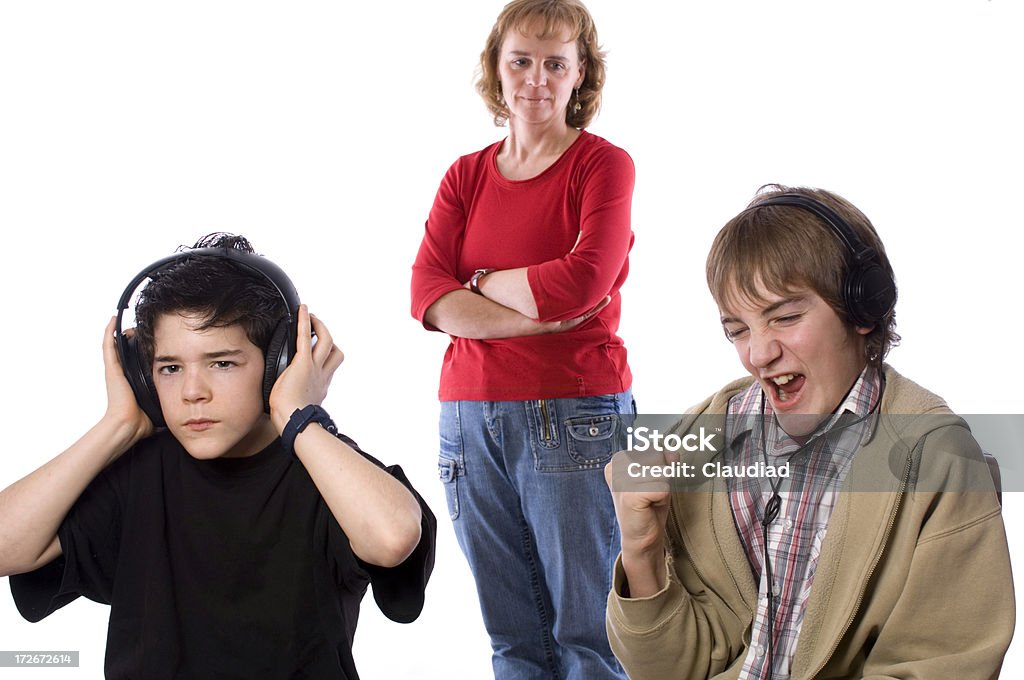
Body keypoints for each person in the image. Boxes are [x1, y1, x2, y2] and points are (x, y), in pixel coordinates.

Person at [605, 186, 1014, 679]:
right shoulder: (698, 440)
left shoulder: (939, 460)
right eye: (738, 330)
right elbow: (671, 669)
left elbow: (942, 666)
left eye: (785, 317)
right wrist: (642, 548)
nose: (758, 355)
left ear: (863, 308)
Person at [0, 233, 436, 680]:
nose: (192, 393)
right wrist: (117, 426)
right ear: (143, 376)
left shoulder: (327, 468)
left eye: (222, 363)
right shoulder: (136, 472)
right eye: (169, 368)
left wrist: (296, 414)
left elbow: (392, 538)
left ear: (279, 364)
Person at [410, 0, 634, 677]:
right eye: (522, 61)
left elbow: (584, 281)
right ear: (497, 69)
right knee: (513, 640)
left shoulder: (603, 166)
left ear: (580, 75)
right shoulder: (465, 175)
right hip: (468, 420)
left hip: (573, 414)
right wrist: (516, 301)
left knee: (590, 639)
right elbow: (425, 292)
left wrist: (471, 286)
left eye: (555, 63)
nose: (536, 78)